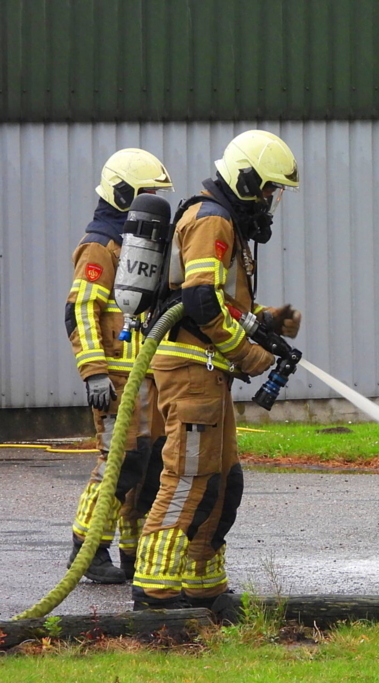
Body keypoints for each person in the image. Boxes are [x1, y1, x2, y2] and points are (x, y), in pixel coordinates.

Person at [132, 130, 301, 610]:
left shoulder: (224, 220)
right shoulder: (212, 220)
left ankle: (203, 583)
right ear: (245, 180)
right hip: (190, 370)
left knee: (223, 481)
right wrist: (249, 354)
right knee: (189, 477)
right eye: (268, 188)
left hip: (208, 370)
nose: (270, 200)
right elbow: (201, 300)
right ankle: (155, 587)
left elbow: (221, 302)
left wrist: (266, 321)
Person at [65, 148, 174, 583]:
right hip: (114, 377)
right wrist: (93, 371)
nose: (153, 202)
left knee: (148, 467)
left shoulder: (139, 244)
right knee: (120, 463)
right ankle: (87, 548)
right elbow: (81, 310)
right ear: (123, 193)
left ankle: (133, 552)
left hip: (148, 375)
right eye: (146, 193)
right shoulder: (100, 245)